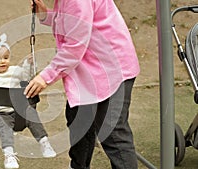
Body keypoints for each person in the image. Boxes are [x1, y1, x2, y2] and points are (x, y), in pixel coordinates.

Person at [24, 0, 140, 169]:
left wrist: (45, 77)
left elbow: (74, 45)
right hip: (90, 72)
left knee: (112, 133)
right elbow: (71, 23)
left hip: (111, 69)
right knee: (79, 121)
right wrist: (46, 16)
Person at [0, 33, 56, 169]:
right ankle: (9, 155)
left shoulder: (15, 71)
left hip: (20, 111)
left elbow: (27, 75)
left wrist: (29, 64)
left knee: (31, 114)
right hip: (1, 113)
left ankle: (44, 142)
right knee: (5, 128)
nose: (3, 61)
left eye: (6, 58)